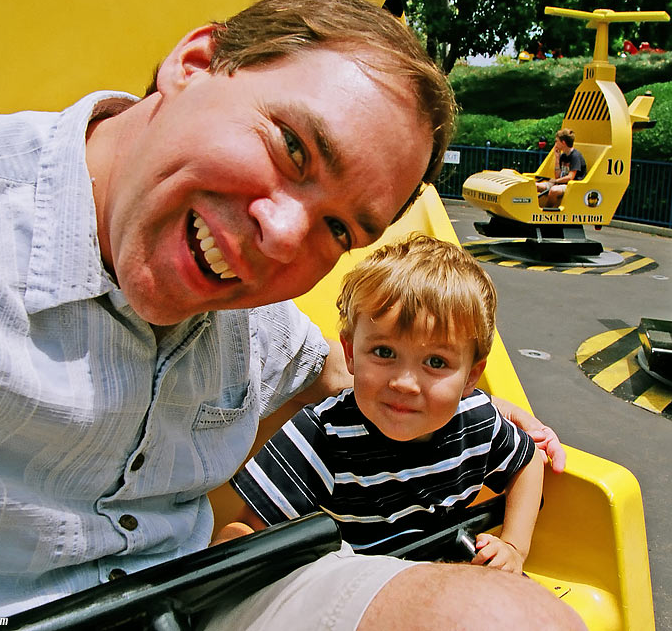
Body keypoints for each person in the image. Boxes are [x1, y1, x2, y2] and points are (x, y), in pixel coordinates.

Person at [0, 0, 578, 628]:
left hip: (196, 599)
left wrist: (467, 397)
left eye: (339, 229)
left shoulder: (259, 327)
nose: (283, 238)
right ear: (194, 64)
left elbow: (353, 381)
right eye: (291, 148)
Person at [219, 234, 544, 575]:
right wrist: (227, 550)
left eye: (435, 362)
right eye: (384, 353)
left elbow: (529, 461)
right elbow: (252, 528)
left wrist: (513, 545)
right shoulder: (323, 437)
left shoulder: (477, 420)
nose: (404, 383)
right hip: (357, 592)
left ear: (471, 376)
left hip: (443, 577)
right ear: (350, 355)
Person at [536, 128, 587, 208]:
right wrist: (557, 158)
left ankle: (547, 211)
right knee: (536, 186)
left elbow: (570, 177)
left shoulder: (575, 156)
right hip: (560, 183)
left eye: (556, 141)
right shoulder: (563, 156)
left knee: (554, 191)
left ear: (563, 143)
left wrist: (556, 181)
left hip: (572, 186)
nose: (555, 144)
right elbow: (557, 175)